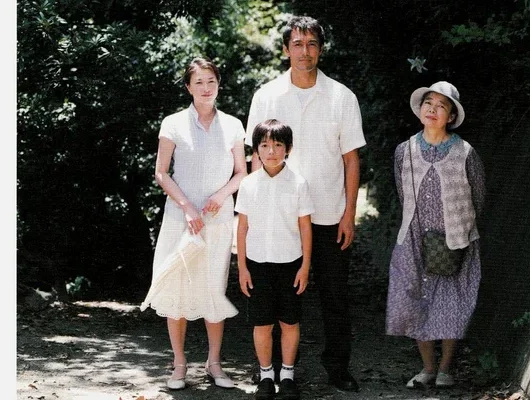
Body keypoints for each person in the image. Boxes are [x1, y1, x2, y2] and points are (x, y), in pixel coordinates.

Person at [246, 16, 366, 392]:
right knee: (275, 300)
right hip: (279, 220)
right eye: (297, 44)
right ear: (286, 49)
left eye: (312, 43)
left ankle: (338, 368)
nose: (304, 51)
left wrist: (349, 213)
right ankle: (274, 371)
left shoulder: (342, 97)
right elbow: (256, 159)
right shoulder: (266, 96)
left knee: (335, 295)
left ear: (321, 49)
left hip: (329, 213)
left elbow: (351, 159)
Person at [141, 57, 247, 390]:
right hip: (180, 218)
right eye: (198, 82)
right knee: (177, 287)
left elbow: (242, 172)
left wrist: (221, 195)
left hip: (217, 218)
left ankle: (214, 363)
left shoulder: (233, 125)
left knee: (214, 287)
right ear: (188, 87)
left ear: (219, 84)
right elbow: (161, 172)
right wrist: (187, 207)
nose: (205, 88)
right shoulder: (173, 123)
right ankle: (179, 364)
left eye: (211, 81)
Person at [386, 81, 485, 389]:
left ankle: (445, 369)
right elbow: (403, 193)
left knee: (452, 302)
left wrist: (461, 228)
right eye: (428, 103)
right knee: (414, 298)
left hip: (454, 238)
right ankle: (428, 368)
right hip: (413, 237)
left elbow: (478, 196)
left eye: (441, 106)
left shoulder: (465, 152)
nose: (433, 109)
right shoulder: (404, 151)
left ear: (451, 116)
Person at [236, 119, 314, 400]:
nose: (271, 151)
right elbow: (242, 228)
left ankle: (288, 376)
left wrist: (305, 267)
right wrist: (242, 268)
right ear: (256, 149)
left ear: (288, 149)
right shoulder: (248, 184)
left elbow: (305, 227)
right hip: (257, 264)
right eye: (265, 145)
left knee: (289, 322)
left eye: (278, 145)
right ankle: (266, 375)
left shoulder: (298, 183)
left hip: (290, 263)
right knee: (262, 324)